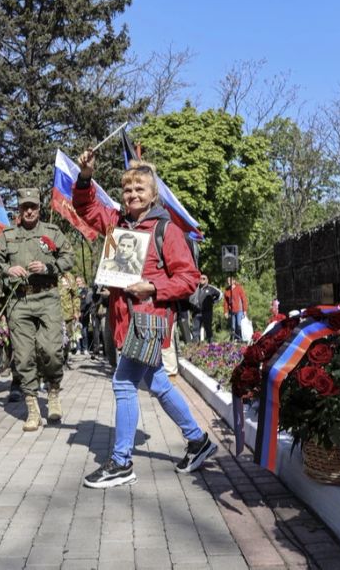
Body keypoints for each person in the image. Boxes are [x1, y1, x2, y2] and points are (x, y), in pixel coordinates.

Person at [74, 151, 217, 489]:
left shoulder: (166, 230)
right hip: (123, 320)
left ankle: (121, 462)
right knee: (157, 383)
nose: (133, 195)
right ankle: (198, 441)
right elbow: (86, 209)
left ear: (154, 195)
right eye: (128, 190)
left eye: (140, 189)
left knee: (123, 383)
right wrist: (84, 178)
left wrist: (152, 286)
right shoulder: (116, 223)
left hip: (149, 320)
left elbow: (188, 278)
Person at [0, 188, 74, 431]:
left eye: (33, 207)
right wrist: (7, 270)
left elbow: (68, 258)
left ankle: (54, 391)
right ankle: (32, 408)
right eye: (25, 206)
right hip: (19, 301)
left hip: (47, 297)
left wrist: (49, 266)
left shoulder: (52, 232)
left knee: (50, 350)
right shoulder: (7, 235)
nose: (29, 211)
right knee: (24, 355)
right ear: (19, 209)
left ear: (39, 208)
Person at [190, 275, 222, 342]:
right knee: (195, 330)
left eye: (203, 278)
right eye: (200, 278)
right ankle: (195, 346)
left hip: (207, 312)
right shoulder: (195, 288)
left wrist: (213, 301)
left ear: (207, 280)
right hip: (196, 312)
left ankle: (210, 345)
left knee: (208, 328)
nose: (201, 280)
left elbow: (220, 294)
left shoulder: (211, 288)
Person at [58, 272, 81, 364]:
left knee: (67, 338)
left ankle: (65, 358)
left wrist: (76, 311)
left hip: (67, 314)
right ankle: (57, 361)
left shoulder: (69, 276)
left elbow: (76, 295)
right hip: (52, 314)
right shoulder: (48, 275)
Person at [223, 276, 248, 341]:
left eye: (230, 280)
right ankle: (233, 339)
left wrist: (245, 310)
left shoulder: (239, 288)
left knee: (239, 325)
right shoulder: (227, 291)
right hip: (232, 311)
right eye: (228, 281)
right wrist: (225, 312)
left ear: (234, 281)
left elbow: (244, 299)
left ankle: (240, 339)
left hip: (239, 310)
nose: (228, 282)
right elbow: (225, 302)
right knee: (233, 326)